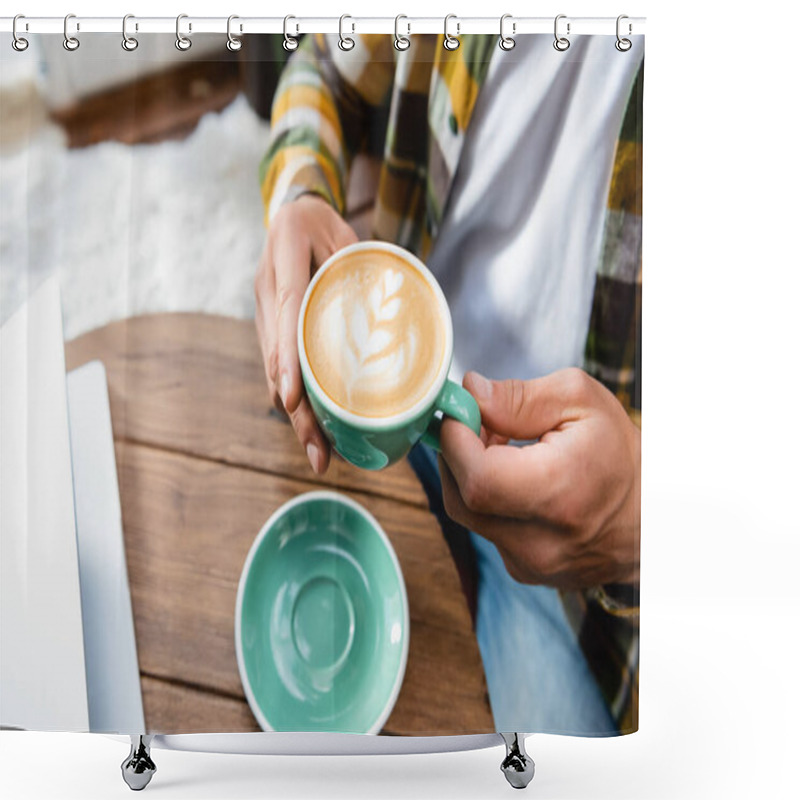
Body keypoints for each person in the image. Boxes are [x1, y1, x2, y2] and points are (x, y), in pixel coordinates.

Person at [254, 32, 643, 734]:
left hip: (580, 580)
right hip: (385, 409)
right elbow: (323, 68)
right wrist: (299, 191)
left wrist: (650, 516)